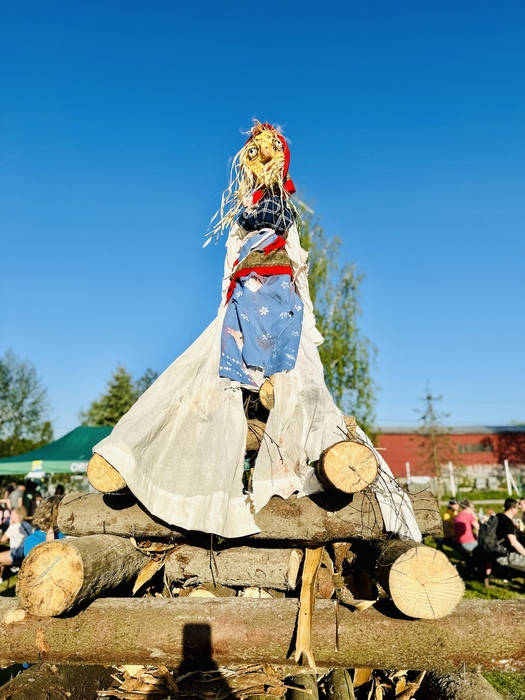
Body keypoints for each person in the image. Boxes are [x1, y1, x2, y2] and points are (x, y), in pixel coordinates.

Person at [90, 121, 421, 542]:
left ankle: (288, 463)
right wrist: (225, 303)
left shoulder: (285, 209)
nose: (262, 155)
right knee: (214, 380)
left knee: (300, 381)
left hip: (282, 300)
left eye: (269, 150)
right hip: (244, 298)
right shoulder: (242, 210)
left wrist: (308, 317)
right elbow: (231, 259)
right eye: (256, 150)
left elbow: (298, 262)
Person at [0, 507, 32, 582]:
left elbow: (2, 540)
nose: (10, 515)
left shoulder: (14, 527)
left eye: (12, 514)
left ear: (17, 515)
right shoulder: (27, 524)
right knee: (2, 559)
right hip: (27, 552)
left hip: (17, 553)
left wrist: (10, 525)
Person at [494, 498, 525, 572]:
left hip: (495, 551)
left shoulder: (498, 516)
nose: (518, 510)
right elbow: (513, 543)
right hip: (505, 556)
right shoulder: (507, 522)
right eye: (517, 508)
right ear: (512, 508)